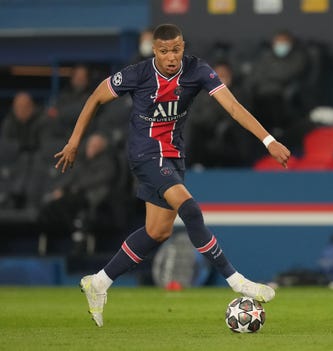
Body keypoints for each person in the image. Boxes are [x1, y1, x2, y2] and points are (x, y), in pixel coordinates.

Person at [54, 24, 291, 327]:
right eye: (164, 51)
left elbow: (232, 107)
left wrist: (269, 141)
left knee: (157, 231)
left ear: (183, 47)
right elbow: (95, 98)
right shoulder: (137, 74)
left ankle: (99, 282)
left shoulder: (197, 71)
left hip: (173, 157)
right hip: (146, 155)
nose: (171, 57)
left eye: (176, 49)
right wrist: (74, 142)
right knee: (189, 208)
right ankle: (237, 280)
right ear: (154, 50)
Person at [39, 133, 117, 253]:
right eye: (91, 145)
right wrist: (61, 189)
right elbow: (71, 178)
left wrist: (72, 189)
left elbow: (96, 181)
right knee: (51, 206)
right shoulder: (81, 161)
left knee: (69, 203)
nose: (92, 147)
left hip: (93, 197)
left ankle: (78, 232)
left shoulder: (107, 163)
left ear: (103, 148)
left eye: (96, 145)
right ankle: (75, 230)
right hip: (75, 194)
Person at [186, 61, 256, 168]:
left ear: (231, 76)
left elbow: (240, 114)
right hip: (208, 133)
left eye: (224, 75)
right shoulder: (202, 95)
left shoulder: (239, 94)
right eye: (217, 75)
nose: (221, 78)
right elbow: (196, 116)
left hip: (230, 135)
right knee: (195, 129)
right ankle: (196, 164)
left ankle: (241, 164)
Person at [251, 30, 308, 137]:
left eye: (284, 42)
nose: (280, 45)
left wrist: (270, 76)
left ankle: (278, 131)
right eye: (278, 42)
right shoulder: (266, 57)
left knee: (272, 99)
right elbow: (256, 75)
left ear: (290, 43)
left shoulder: (298, 57)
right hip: (261, 94)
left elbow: (287, 74)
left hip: (280, 94)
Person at [47, 65, 93, 139]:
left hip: (83, 137)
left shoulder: (91, 96)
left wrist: (59, 113)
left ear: (87, 79)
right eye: (77, 76)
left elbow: (81, 111)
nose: (79, 79)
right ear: (72, 78)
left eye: (82, 77)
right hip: (62, 135)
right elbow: (51, 110)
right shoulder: (64, 94)